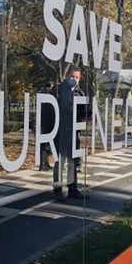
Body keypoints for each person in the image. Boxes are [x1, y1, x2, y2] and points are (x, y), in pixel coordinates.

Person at [46, 66, 87, 202]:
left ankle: (72, 188)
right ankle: (57, 190)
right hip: (59, 130)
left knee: (73, 161)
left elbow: (84, 113)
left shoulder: (79, 93)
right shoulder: (57, 90)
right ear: (67, 76)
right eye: (72, 76)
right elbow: (49, 109)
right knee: (60, 161)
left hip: (74, 131)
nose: (74, 80)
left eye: (77, 77)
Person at [39, 81, 55, 172]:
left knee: (46, 144)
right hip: (47, 121)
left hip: (45, 121)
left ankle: (45, 163)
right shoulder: (48, 96)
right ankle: (42, 164)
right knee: (45, 144)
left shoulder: (45, 94)